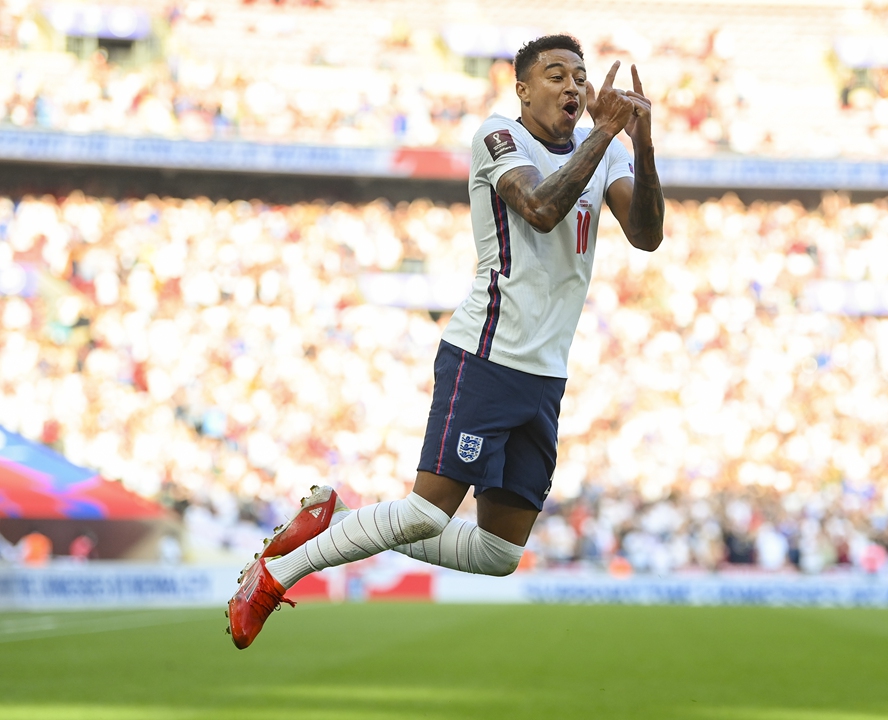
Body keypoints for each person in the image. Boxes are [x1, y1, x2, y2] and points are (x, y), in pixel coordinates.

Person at [227, 33, 664, 649]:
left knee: (498, 551)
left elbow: (646, 234)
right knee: (428, 510)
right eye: (556, 75)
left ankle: (334, 522)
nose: (572, 86)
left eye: (579, 77)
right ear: (522, 90)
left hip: (544, 372)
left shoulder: (606, 151)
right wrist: (603, 136)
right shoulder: (499, 136)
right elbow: (540, 207)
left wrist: (639, 144)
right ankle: (273, 574)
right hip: (486, 352)